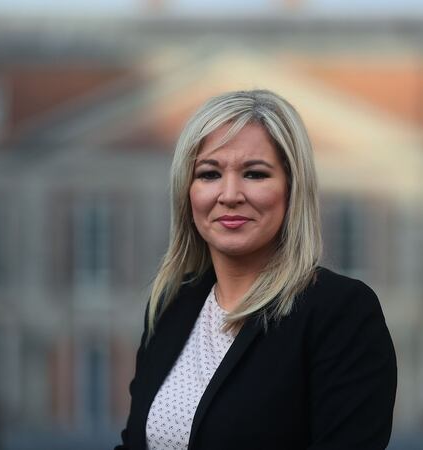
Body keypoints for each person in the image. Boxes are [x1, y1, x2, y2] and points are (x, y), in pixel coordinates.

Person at [115, 89, 396, 450]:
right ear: (187, 191)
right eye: (209, 173)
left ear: (292, 189)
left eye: (255, 174)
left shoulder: (340, 313)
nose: (229, 194)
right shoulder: (172, 306)